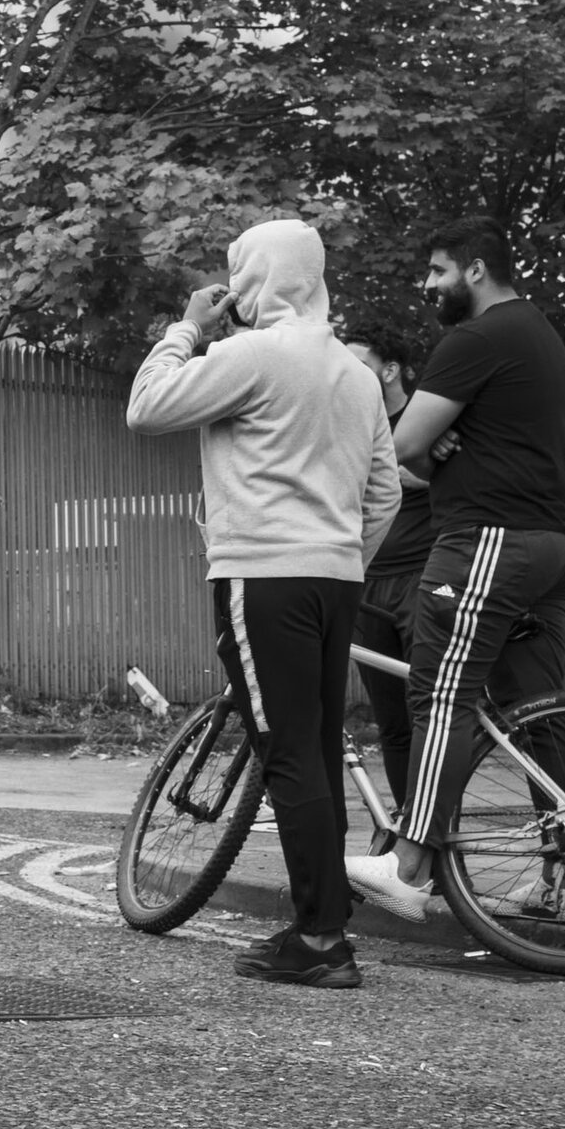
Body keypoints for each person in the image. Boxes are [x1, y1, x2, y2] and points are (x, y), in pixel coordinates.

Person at [127, 218, 398, 989]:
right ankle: (325, 923)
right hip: (337, 578)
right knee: (312, 748)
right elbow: (384, 494)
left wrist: (187, 324)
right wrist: (341, 555)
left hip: (263, 576)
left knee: (286, 751)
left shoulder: (248, 356)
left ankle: (319, 939)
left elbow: (146, 405)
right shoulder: (355, 374)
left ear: (253, 280)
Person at [346, 216, 565, 923]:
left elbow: (401, 447)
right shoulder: (541, 335)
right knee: (543, 715)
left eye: (439, 270)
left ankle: (408, 863)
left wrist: (429, 444)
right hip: (552, 546)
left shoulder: (475, 338)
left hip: (488, 537)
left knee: (439, 694)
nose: (428, 285)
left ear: (476, 269)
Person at [338, 323, 433, 809]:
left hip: (423, 581)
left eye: (357, 365)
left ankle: (434, 836)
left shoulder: (429, 421)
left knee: (430, 719)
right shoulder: (348, 427)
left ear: (390, 371)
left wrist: (426, 479)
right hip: (366, 585)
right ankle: (406, 836)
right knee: (391, 723)